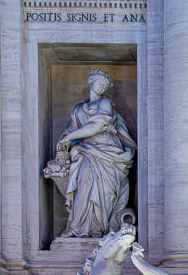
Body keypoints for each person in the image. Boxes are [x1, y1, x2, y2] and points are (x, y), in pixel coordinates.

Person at [50, 70, 136, 238]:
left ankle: (99, 229)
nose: (102, 86)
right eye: (100, 82)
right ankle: (77, 226)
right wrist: (66, 141)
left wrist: (69, 137)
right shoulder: (78, 109)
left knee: (105, 193)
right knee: (84, 182)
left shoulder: (105, 104)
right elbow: (72, 132)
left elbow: (96, 127)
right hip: (85, 153)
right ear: (91, 81)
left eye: (105, 84)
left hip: (108, 154)